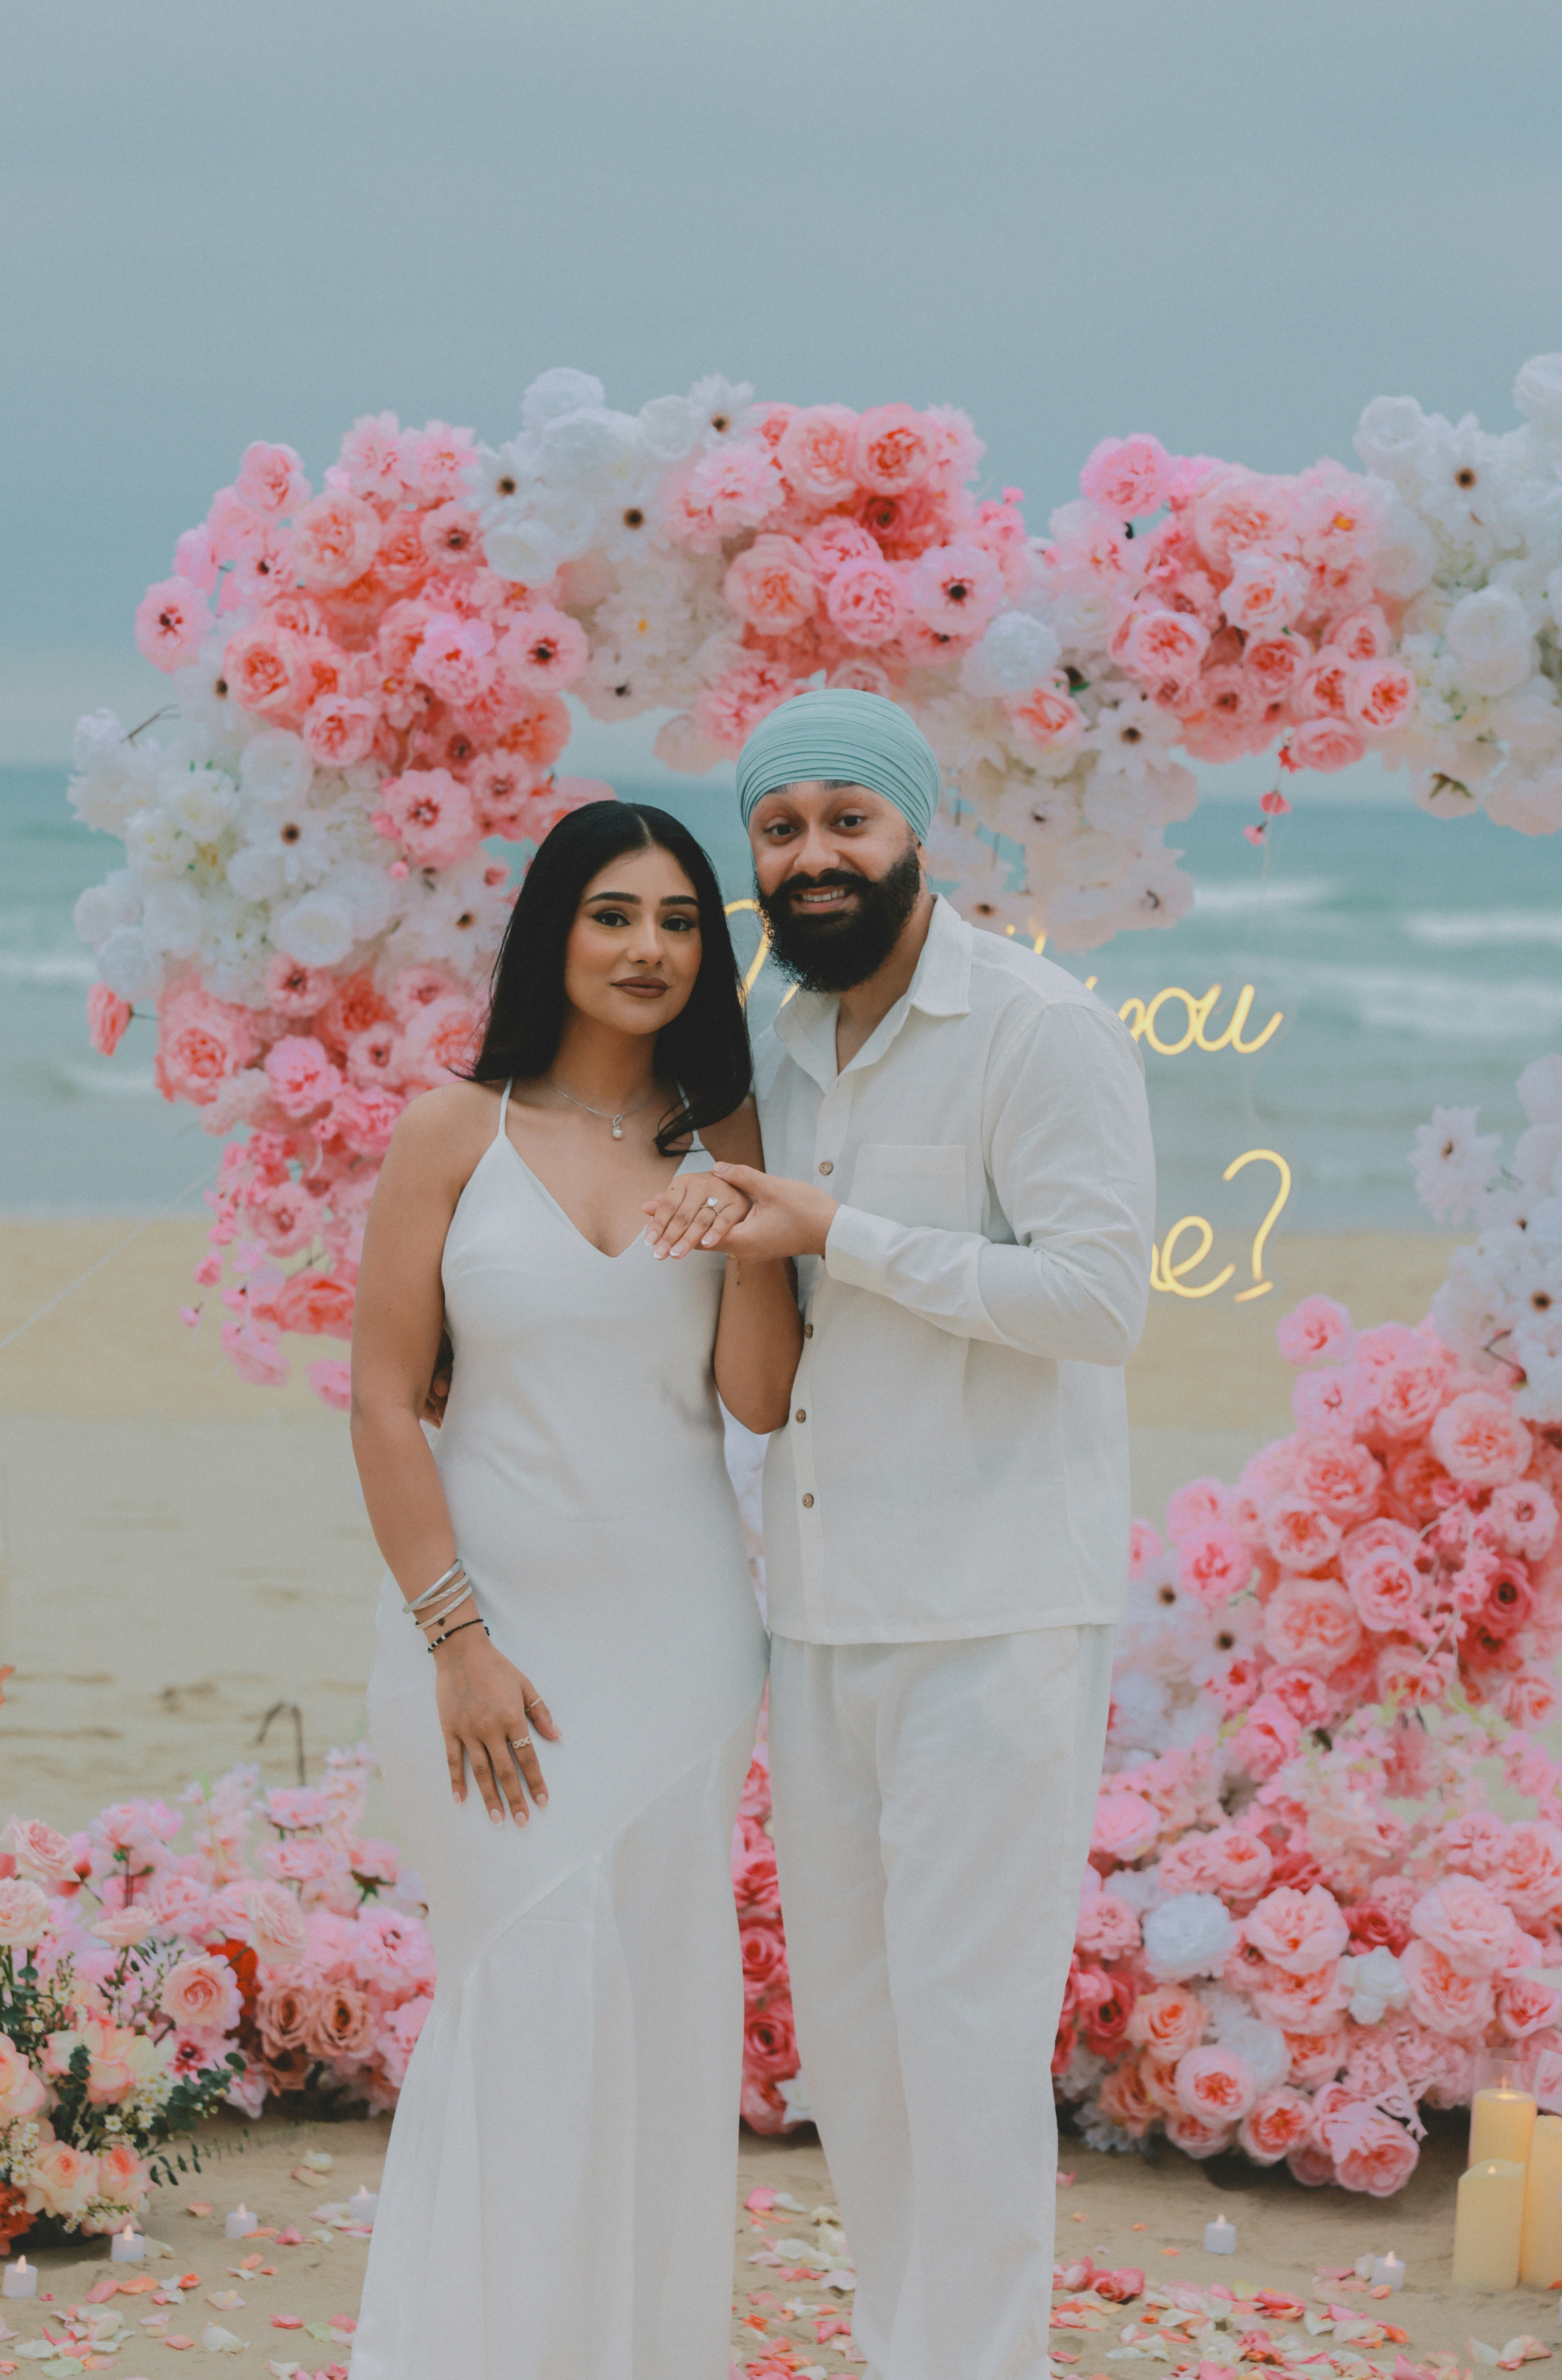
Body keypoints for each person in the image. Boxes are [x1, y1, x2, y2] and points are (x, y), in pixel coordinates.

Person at [645, 689, 1155, 2380]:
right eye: (778, 829)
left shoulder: (1038, 1026)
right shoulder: (771, 1043)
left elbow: (1096, 1303)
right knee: (853, 2050)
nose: (809, 858)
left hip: (994, 1612)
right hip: (818, 1610)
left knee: (965, 2037)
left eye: (842, 823)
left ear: (914, 829)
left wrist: (837, 1231)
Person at [346, 800, 801, 2380]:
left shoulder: (726, 1135)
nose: (650, 948)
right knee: (525, 1999)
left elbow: (755, 1401)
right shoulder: (452, 1133)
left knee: (658, 2020)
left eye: (680, 921)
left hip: (681, 1649)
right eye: (614, 915)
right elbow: (385, 1400)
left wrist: (748, 1231)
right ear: (554, 932)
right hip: (488, 1641)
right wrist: (457, 1638)